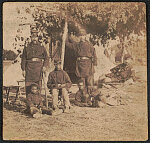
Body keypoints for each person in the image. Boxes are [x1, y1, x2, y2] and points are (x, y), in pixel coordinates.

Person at [21, 25, 49, 96]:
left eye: (35, 37)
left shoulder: (41, 46)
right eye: (33, 37)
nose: (34, 39)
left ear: (37, 37)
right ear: (31, 37)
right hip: (29, 68)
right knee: (28, 86)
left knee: (38, 86)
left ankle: (38, 102)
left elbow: (46, 58)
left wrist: (45, 66)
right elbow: (23, 58)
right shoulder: (27, 47)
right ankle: (29, 103)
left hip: (38, 69)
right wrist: (23, 69)